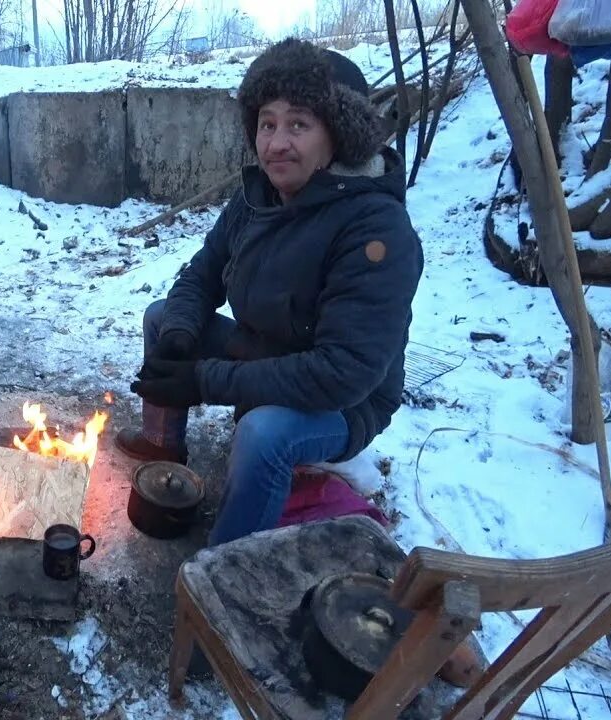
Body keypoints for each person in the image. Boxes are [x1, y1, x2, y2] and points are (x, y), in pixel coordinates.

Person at [119, 39, 424, 546]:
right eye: (267, 123)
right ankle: (163, 449)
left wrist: (205, 380)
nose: (277, 143)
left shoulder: (377, 230)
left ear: (339, 137)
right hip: (269, 350)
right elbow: (203, 273)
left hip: (346, 403)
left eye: (299, 124)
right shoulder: (258, 196)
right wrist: (178, 338)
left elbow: (342, 374)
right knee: (162, 316)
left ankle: (227, 565)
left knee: (263, 433)